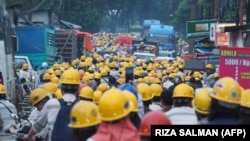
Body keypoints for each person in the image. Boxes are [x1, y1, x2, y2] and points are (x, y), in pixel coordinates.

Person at [51, 67, 80, 141]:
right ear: (78, 89)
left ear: (61, 90)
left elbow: (38, 126)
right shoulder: (83, 107)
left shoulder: (52, 104)